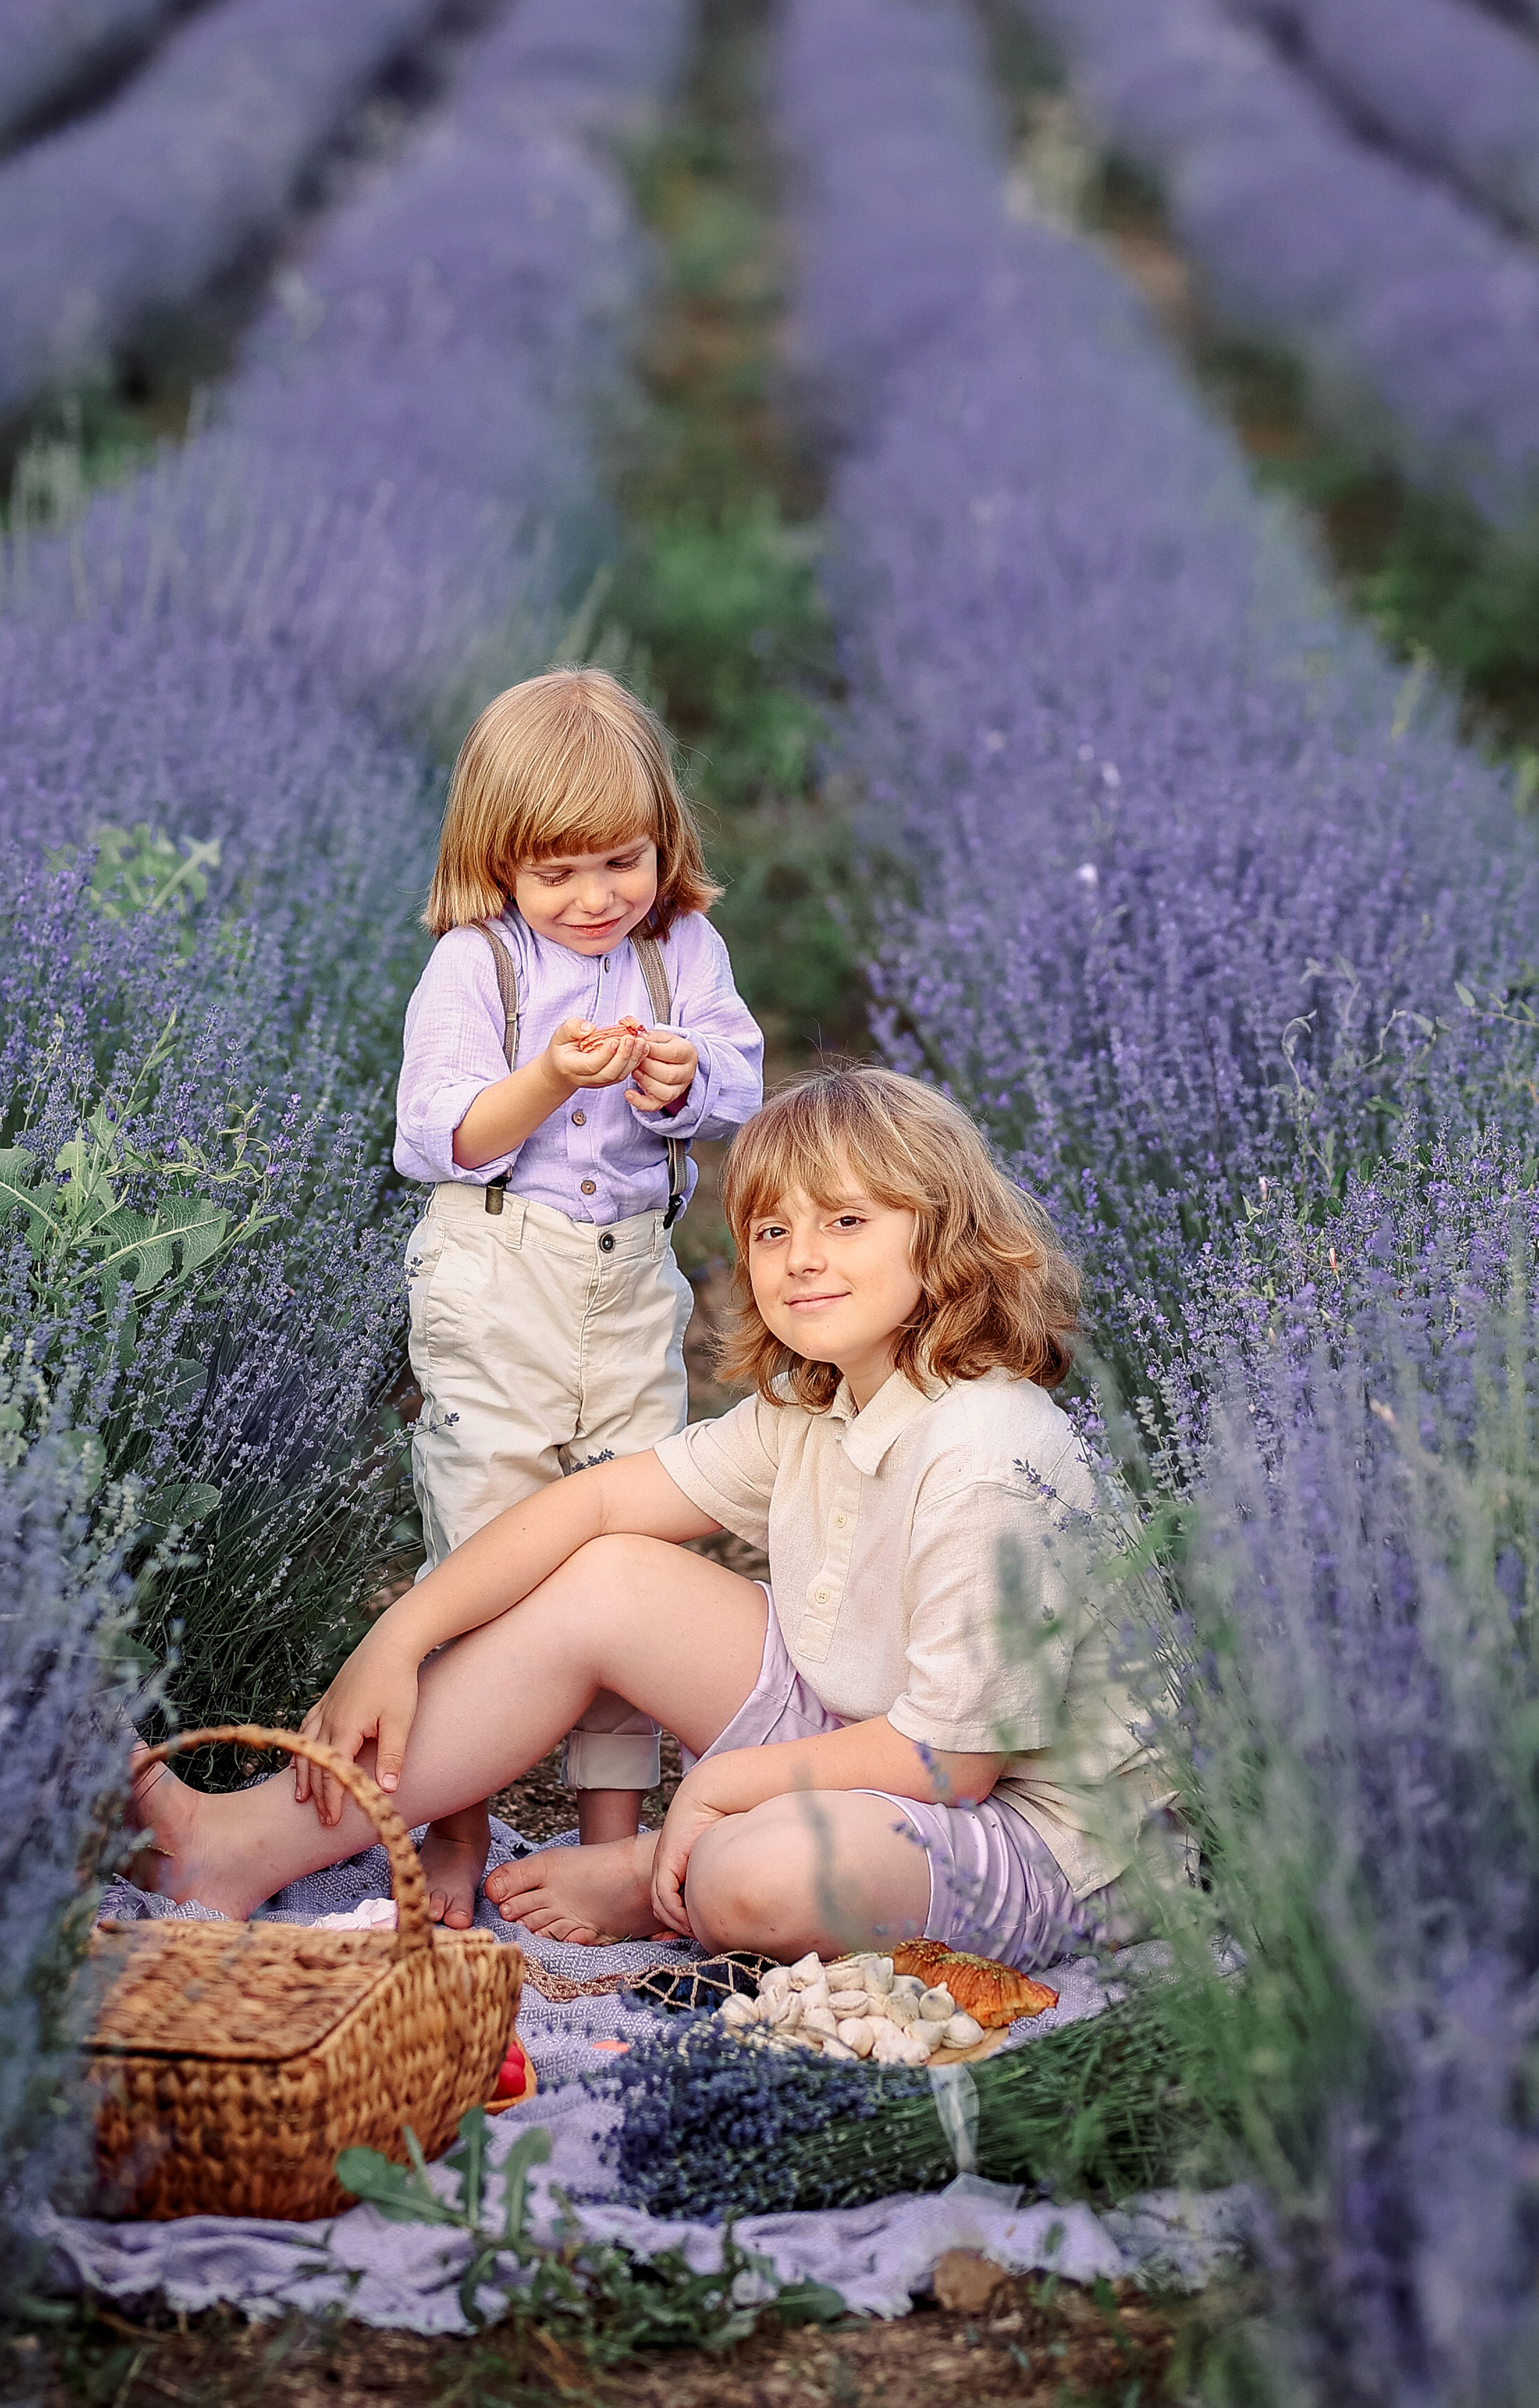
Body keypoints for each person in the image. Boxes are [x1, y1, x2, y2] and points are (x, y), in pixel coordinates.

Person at [132, 1068, 1184, 1964]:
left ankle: (654, 1875)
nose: (802, 1257)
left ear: (946, 1240)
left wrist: (723, 1787)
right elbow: (593, 1502)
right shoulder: (818, 1401)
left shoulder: (988, 1459)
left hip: (1037, 1836)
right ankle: (242, 1843)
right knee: (609, 1574)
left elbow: (951, 1766)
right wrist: (399, 1635)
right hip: (872, 1735)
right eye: (772, 1230)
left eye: (848, 1222)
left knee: (753, 1879)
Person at [375, 666, 762, 1928]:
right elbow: (442, 1136)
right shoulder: (475, 968)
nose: (597, 899)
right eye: (559, 874)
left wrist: (673, 1083)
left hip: (629, 1274)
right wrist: (547, 1078)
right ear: (498, 864)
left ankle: (612, 1825)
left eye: (621, 863)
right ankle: (454, 1818)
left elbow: (735, 1084)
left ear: (664, 844)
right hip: (500, 1274)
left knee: (624, 1535)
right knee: (487, 1527)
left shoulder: (680, 948)